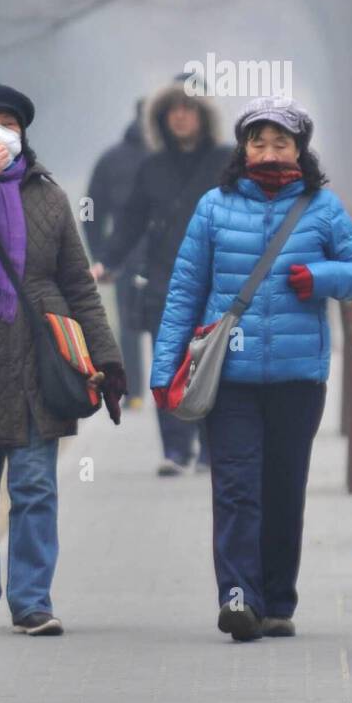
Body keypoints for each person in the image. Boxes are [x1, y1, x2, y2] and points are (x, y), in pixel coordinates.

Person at [151, 96, 352, 641]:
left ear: (300, 148)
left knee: (282, 489)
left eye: (281, 142)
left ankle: (277, 600)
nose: (269, 150)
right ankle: (237, 596)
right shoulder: (214, 207)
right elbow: (185, 290)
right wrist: (164, 370)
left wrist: (320, 278)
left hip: (298, 380)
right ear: (242, 147)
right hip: (229, 379)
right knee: (234, 488)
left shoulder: (321, 207)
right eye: (258, 141)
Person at [0, 83, 126, 636]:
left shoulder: (50, 198)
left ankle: (32, 600)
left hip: (41, 358)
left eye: (8, 124)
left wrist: (107, 358)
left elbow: (79, 287)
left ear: (23, 132)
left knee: (35, 487)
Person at [91, 74, 231, 475]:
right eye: (173, 110)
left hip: (214, 281)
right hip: (162, 282)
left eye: (189, 109)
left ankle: (208, 449)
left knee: (207, 368)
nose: (181, 116)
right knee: (168, 369)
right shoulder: (151, 167)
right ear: (162, 117)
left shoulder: (226, 162)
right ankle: (174, 450)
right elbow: (131, 223)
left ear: (203, 116)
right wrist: (107, 261)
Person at [84, 100, 148, 405]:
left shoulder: (111, 158)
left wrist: (102, 255)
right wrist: (102, 256)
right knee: (137, 322)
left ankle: (136, 393)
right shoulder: (115, 159)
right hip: (134, 254)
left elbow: (91, 212)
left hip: (130, 256)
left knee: (131, 322)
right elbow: (92, 211)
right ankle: (146, 391)